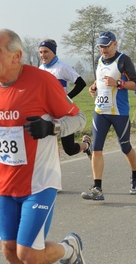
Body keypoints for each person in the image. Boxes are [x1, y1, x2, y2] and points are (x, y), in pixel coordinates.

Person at [0, 28, 86, 263]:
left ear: (16, 56)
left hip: (39, 182)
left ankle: (70, 249)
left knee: (27, 253)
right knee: (9, 249)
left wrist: (51, 128)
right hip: (5, 183)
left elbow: (79, 119)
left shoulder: (43, 81)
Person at [81, 31, 136, 200]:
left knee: (124, 147)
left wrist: (119, 83)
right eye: (100, 46)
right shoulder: (98, 60)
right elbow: (100, 79)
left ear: (115, 44)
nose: (103, 50)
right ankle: (97, 188)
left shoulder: (124, 60)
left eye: (106, 46)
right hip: (100, 111)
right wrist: (93, 87)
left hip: (119, 113)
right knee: (97, 148)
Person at [38, 39, 92, 160]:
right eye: (40, 52)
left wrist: (67, 98)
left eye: (46, 51)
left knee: (69, 150)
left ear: (53, 52)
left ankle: (87, 145)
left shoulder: (62, 67)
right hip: (47, 112)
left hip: (63, 113)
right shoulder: (40, 68)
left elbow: (81, 83)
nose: (42, 55)